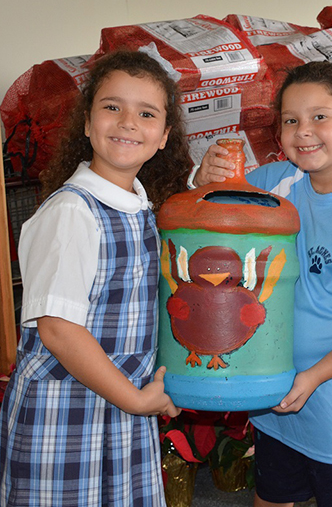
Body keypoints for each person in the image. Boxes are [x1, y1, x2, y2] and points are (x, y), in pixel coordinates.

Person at [192, 62, 332, 507]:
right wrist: (201, 179)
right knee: (274, 496)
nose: (303, 131)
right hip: (273, 395)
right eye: (291, 120)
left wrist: (313, 377)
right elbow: (210, 206)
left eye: (320, 117)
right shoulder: (275, 181)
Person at [0, 50, 190, 505]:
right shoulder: (72, 211)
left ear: (163, 136)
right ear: (87, 123)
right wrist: (135, 400)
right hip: (66, 410)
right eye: (112, 107)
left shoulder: (140, 208)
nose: (127, 122)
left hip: (120, 400)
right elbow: (60, 331)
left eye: (146, 113)